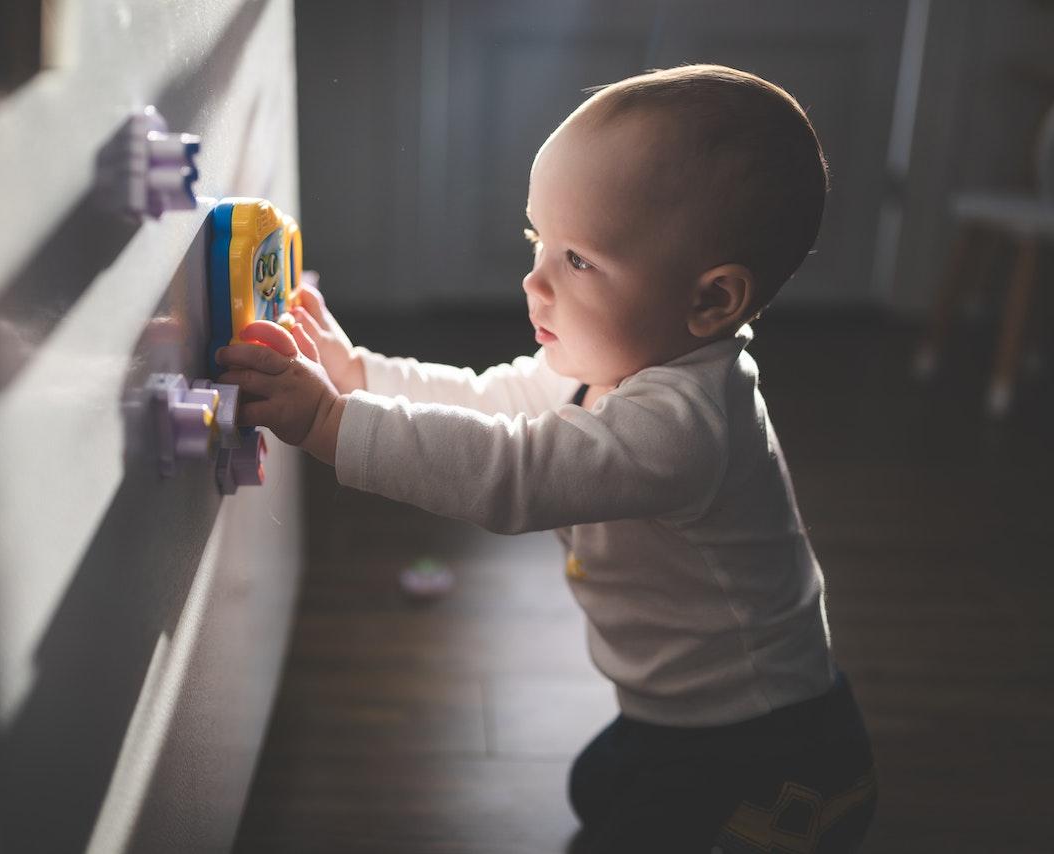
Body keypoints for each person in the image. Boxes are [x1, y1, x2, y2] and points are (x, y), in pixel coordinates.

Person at [217, 64, 877, 853]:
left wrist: (331, 421)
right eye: (539, 241)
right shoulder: (609, 362)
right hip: (669, 707)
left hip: (757, 741)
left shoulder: (685, 425)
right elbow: (491, 401)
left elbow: (514, 472)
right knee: (601, 790)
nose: (532, 280)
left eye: (578, 260)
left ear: (711, 300)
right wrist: (358, 373)